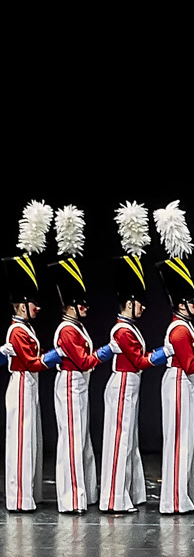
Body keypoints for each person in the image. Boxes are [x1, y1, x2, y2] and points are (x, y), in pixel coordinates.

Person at [40, 220, 102, 513]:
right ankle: (72, 499)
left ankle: (85, 493)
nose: (87, 308)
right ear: (71, 305)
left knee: (82, 437)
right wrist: (105, 353)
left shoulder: (76, 326)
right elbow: (83, 360)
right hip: (70, 383)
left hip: (80, 384)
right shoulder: (67, 330)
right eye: (82, 304)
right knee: (72, 438)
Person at [148, 222, 194, 516]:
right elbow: (190, 364)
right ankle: (173, 499)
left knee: (187, 439)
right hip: (179, 382)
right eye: (192, 300)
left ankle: (181, 496)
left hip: (184, 383)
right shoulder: (181, 331)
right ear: (182, 304)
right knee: (179, 439)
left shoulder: (185, 327)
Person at [92, 217, 152, 514]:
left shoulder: (130, 328)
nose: (143, 307)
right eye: (139, 302)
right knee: (119, 440)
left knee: (129, 440)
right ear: (129, 303)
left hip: (131, 384)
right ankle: (114, 498)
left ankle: (129, 492)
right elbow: (139, 360)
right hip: (123, 384)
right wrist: (163, 354)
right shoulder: (123, 330)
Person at [8, 208, 48, 512]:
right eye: (32, 302)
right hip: (22, 383)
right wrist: (53, 358)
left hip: (29, 384)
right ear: (21, 305)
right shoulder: (18, 330)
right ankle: (18, 498)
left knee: (31, 439)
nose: (37, 307)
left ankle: (28, 495)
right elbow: (32, 362)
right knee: (21, 441)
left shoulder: (26, 328)